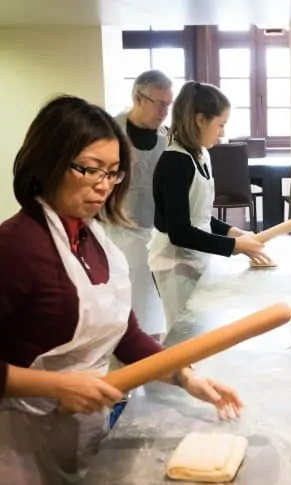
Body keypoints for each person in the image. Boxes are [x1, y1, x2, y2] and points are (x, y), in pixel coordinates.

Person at [0, 95, 242, 484]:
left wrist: (183, 375)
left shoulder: (96, 239)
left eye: (113, 173)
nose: (104, 187)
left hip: (84, 437)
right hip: (20, 448)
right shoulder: (15, 247)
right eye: (90, 170)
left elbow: (124, 334)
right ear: (48, 163)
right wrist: (56, 385)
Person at [148, 81, 270, 334]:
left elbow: (199, 214)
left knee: (200, 329)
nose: (222, 132)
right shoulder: (175, 162)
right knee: (182, 334)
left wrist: (231, 232)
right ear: (200, 119)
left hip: (194, 256)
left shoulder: (201, 154)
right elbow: (179, 231)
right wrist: (235, 247)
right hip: (174, 263)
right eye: (221, 124)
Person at [106, 70, 173, 340]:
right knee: (125, 304)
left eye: (169, 105)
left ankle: (149, 350)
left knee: (153, 306)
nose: (165, 111)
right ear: (138, 97)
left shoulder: (165, 137)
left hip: (154, 231)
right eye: (160, 103)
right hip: (117, 231)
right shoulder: (110, 132)